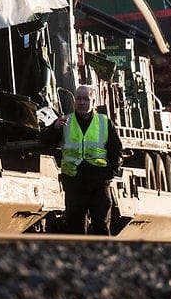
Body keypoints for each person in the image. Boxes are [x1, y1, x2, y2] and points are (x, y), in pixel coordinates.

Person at [41, 84, 123, 235]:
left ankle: (102, 257)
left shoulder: (104, 122)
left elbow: (116, 150)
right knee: (75, 229)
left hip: (98, 184)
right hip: (74, 183)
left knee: (101, 227)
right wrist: (54, 127)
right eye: (78, 99)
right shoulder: (65, 121)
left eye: (86, 99)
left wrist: (109, 174)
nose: (82, 102)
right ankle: (78, 257)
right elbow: (45, 141)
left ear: (93, 101)